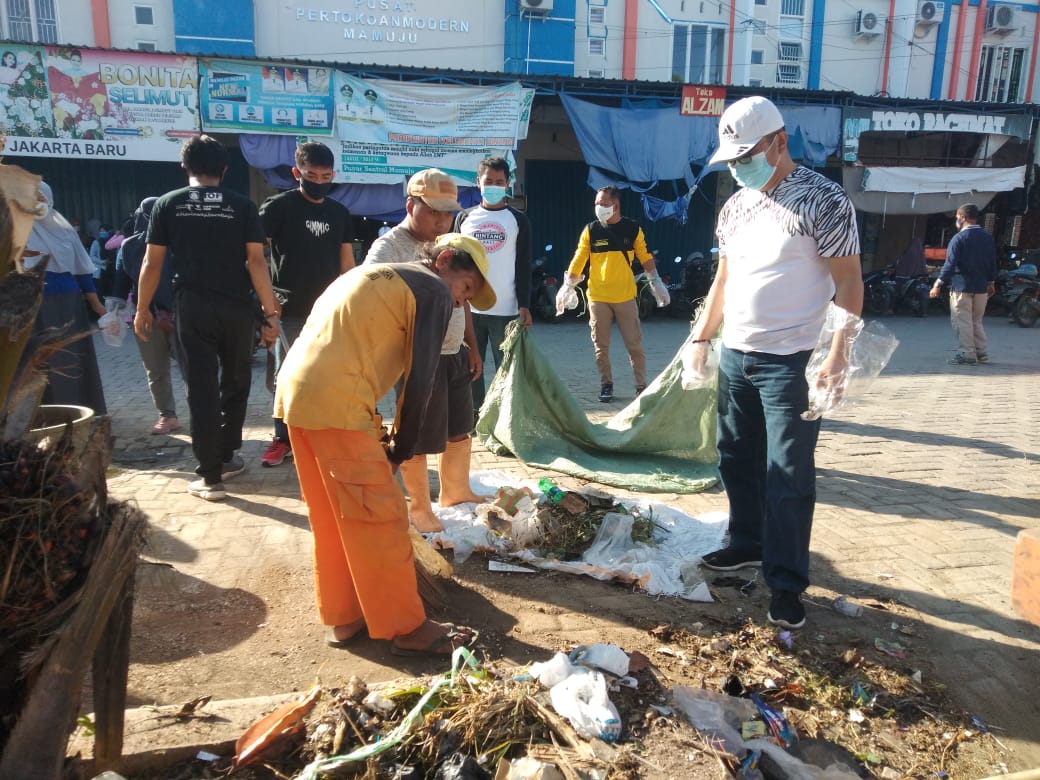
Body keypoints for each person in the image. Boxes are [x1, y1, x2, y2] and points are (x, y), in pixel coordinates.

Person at [274, 233, 495, 654]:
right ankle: (407, 628)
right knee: (383, 518)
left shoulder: (375, 274)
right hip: (338, 403)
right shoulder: (429, 288)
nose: (458, 304)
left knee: (335, 517)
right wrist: (400, 447)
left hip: (297, 396)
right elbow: (421, 378)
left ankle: (344, 616)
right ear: (445, 259)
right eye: (464, 289)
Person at [692, 96, 864, 630]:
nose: (740, 166)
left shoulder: (824, 201)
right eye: (734, 158)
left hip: (790, 362)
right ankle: (746, 541)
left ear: (779, 142)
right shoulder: (735, 206)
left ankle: (786, 582)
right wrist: (701, 339)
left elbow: (850, 281)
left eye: (747, 154)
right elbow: (724, 279)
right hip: (737, 354)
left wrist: (838, 353)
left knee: (788, 473)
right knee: (735, 456)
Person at [134, 134, 281, 502]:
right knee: (236, 380)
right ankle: (228, 453)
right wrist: (270, 312)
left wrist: (142, 309)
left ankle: (211, 476)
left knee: (200, 388)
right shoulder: (241, 205)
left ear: (185, 167)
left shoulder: (167, 204)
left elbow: (152, 262)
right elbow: (256, 261)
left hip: (192, 307)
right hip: (236, 308)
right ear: (225, 169)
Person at [364, 169, 486, 532]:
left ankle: (457, 492)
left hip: (454, 353)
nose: (441, 220)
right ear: (410, 205)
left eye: (447, 213)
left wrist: (471, 346)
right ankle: (419, 505)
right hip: (417, 359)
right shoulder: (388, 248)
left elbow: (465, 301)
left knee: (460, 429)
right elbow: (371, 302)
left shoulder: (452, 243)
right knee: (414, 433)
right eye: (433, 211)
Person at [259, 141, 355, 468]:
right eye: (311, 174)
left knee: (327, 376)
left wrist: (353, 303)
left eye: (326, 175)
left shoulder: (339, 213)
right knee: (287, 377)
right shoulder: (277, 208)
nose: (319, 180)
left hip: (329, 313)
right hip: (289, 310)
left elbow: (347, 264)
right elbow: (256, 256)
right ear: (296, 173)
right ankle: (281, 439)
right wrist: (267, 299)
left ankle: (321, 436)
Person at [557, 185, 669, 402]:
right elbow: (579, 258)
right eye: (597, 203)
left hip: (625, 296)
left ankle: (640, 385)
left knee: (634, 345)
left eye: (603, 203)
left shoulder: (632, 228)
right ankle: (606, 384)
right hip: (598, 297)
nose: (599, 207)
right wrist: (568, 284)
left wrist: (655, 281)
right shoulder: (591, 230)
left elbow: (644, 255)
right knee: (601, 346)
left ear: (615, 205)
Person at [21, 182, 108, 414]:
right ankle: (42, 414)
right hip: (33, 305)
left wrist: (97, 305)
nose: (38, 201)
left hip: (69, 304)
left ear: (50, 198)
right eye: (33, 196)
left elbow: (82, 270)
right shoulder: (16, 226)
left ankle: (82, 408)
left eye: (42, 196)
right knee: (40, 361)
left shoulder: (64, 228)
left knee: (72, 358)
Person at [455, 156, 532, 417]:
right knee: (470, 367)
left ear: (508, 183)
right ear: (478, 183)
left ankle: (503, 420)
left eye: (500, 182)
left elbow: (523, 265)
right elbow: (453, 266)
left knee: (507, 371)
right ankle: (473, 416)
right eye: (489, 181)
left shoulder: (518, 221)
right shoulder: (464, 219)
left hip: (507, 310)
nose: (494, 186)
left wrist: (525, 305)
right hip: (469, 310)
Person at [111, 197, 183, 435]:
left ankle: (204, 413)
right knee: (156, 369)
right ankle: (167, 416)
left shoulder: (183, 241)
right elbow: (121, 283)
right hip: (147, 316)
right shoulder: (129, 247)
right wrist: (113, 314)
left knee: (193, 368)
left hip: (182, 314)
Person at [930, 204, 997, 365]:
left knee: (963, 321)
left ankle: (967, 354)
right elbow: (992, 262)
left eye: (957, 218)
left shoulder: (958, 238)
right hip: (981, 287)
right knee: (976, 320)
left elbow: (950, 264)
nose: (957, 221)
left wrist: (938, 283)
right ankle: (981, 352)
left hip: (962, 287)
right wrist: (991, 282)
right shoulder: (987, 237)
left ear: (963, 217)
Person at [89, 223, 118, 299]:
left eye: (104, 231)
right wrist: (103, 262)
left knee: (111, 294)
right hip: (100, 272)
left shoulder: (115, 242)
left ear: (109, 232)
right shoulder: (96, 242)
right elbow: (92, 257)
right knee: (100, 295)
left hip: (112, 271)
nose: (102, 233)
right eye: (100, 231)